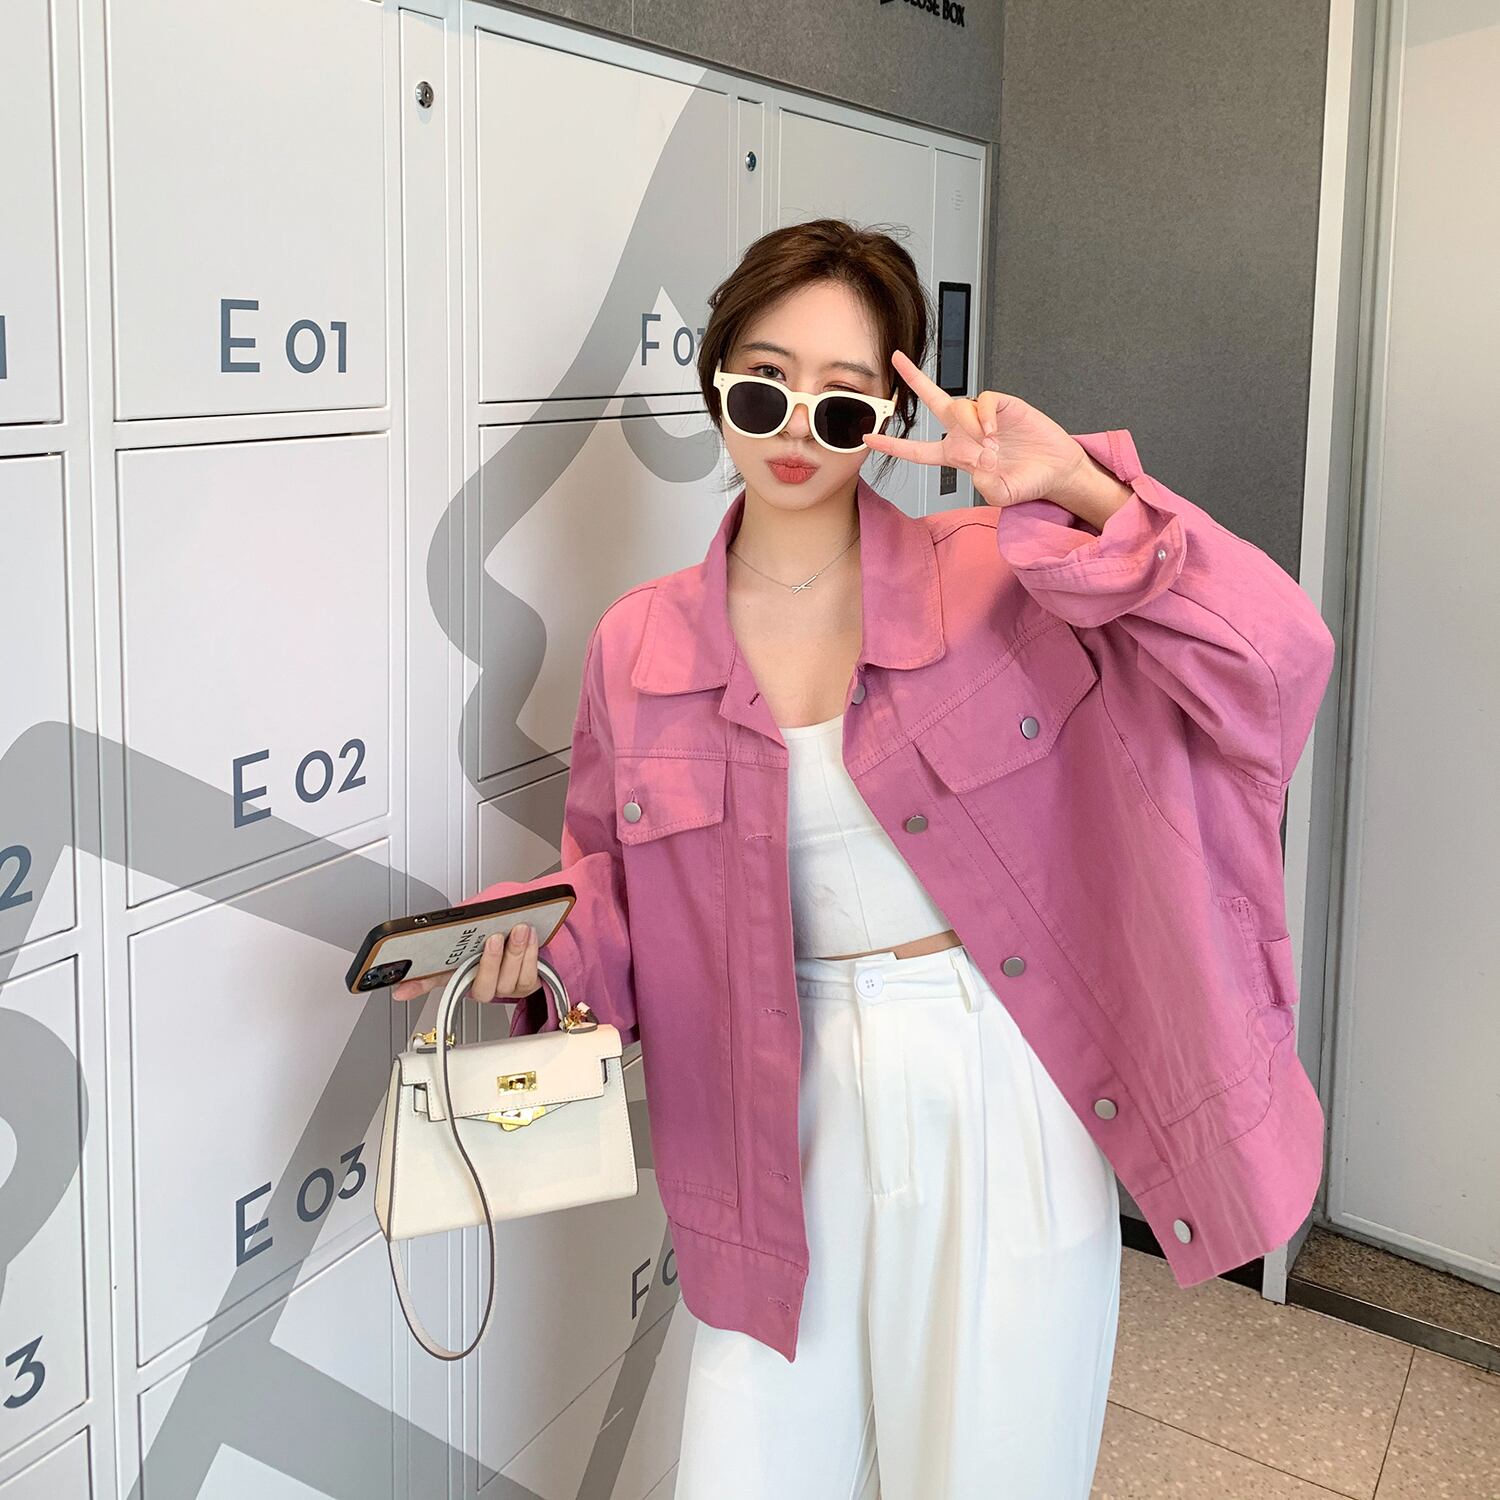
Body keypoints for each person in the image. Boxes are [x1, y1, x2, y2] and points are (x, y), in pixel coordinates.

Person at [392, 218, 1335, 1498]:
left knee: (992, 1464)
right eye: (765, 384)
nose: (796, 427)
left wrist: (1084, 492)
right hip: (767, 1098)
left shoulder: (995, 576)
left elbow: (1273, 664)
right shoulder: (638, 646)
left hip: (993, 1078)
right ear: (717, 381)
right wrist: (526, 942)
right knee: (749, 1463)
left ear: (890, 416)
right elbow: (620, 900)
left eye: (842, 402)